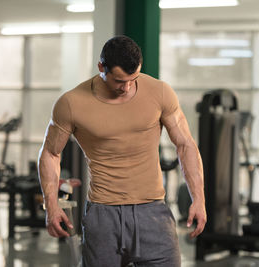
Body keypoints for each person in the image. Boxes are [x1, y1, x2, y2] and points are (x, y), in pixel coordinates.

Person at [38, 35, 206, 267]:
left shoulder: (160, 92)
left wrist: (198, 199)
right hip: (103, 215)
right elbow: (50, 153)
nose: (126, 87)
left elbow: (185, 144)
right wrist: (52, 205)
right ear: (101, 68)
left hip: (153, 213)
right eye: (118, 80)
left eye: (133, 79)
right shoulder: (72, 103)